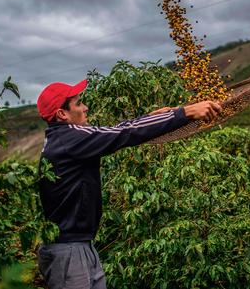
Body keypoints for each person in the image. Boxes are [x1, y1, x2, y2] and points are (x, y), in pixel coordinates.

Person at [35, 79, 221, 289]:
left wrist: (150, 119)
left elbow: (115, 130)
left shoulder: (63, 139)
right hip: (70, 252)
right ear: (62, 114)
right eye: (78, 104)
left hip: (78, 245)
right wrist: (184, 113)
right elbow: (124, 133)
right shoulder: (71, 139)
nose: (85, 107)